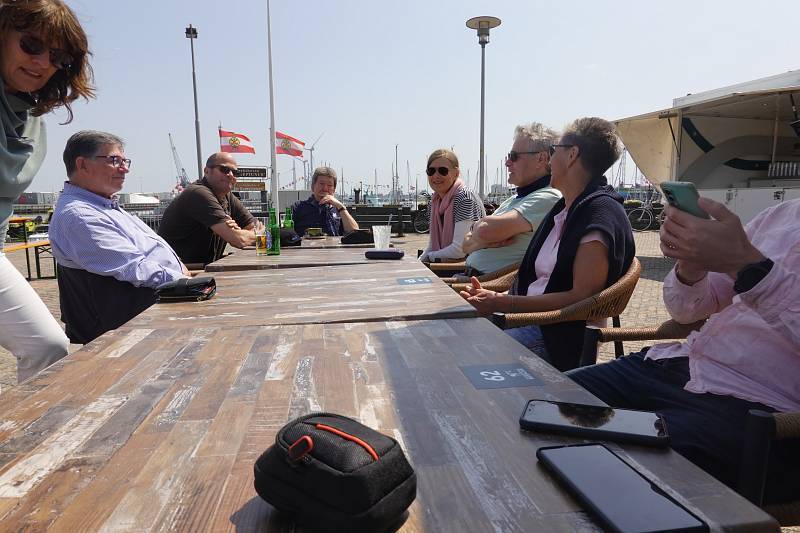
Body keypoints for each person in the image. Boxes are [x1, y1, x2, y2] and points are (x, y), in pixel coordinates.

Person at [568, 197, 800, 504]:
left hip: (766, 412)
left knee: (602, 472)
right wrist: (692, 266)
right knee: (537, 398)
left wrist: (747, 266)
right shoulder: (781, 215)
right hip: (676, 367)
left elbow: (745, 268)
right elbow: (685, 312)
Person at [461, 118, 635, 371]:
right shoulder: (566, 207)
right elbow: (541, 283)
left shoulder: (599, 215)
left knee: (462, 355)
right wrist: (498, 299)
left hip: (556, 337)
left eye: (554, 151)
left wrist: (503, 303)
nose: (550, 160)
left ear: (572, 155)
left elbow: (581, 299)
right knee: (446, 337)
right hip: (527, 321)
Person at [0, 0, 94, 382]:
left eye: (58, 57)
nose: (42, 63)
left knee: (48, 346)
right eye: (32, 45)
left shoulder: (30, 117)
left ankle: (32, 422)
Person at [50, 131, 188, 344]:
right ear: (82, 164)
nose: (125, 169)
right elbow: (134, 268)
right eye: (114, 160)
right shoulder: (80, 216)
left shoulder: (103, 206)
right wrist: (187, 283)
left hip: (155, 309)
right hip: (135, 323)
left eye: (125, 161)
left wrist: (183, 274)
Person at [460, 123, 562, 276]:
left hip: (490, 284)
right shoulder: (514, 199)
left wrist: (479, 235)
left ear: (541, 159)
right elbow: (465, 245)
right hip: (472, 279)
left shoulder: (549, 197)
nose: (507, 163)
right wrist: (483, 237)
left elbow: (484, 231)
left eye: (514, 156)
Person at [158, 152, 260, 266]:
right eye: (224, 169)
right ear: (206, 171)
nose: (231, 175)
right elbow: (239, 240)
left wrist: (239, 232)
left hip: (203, 268)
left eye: (235, 172)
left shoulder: (227, 196)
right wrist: (247, 235)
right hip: (179, 271)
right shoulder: (198, 193)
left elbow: (258, 228)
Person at [419, 149, 485, 262]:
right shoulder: (434, 202)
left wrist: (429, 258)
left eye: (443, 171)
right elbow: (432, 246)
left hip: (470, 266)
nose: (436, 175)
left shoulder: (465, 198)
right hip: (448, 264)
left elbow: (459, 250)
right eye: (431, 171)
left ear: (456, 173)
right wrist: (419, 262)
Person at [291, 166, 358, 237]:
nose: (325, 188)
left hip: (335, 244)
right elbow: (286, 233)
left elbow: (355, 233)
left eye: (329, 185)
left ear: (334, 189)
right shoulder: (298, 207)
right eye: (321, 184)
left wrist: (341, 207)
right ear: (313, 186)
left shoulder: (339, 209)